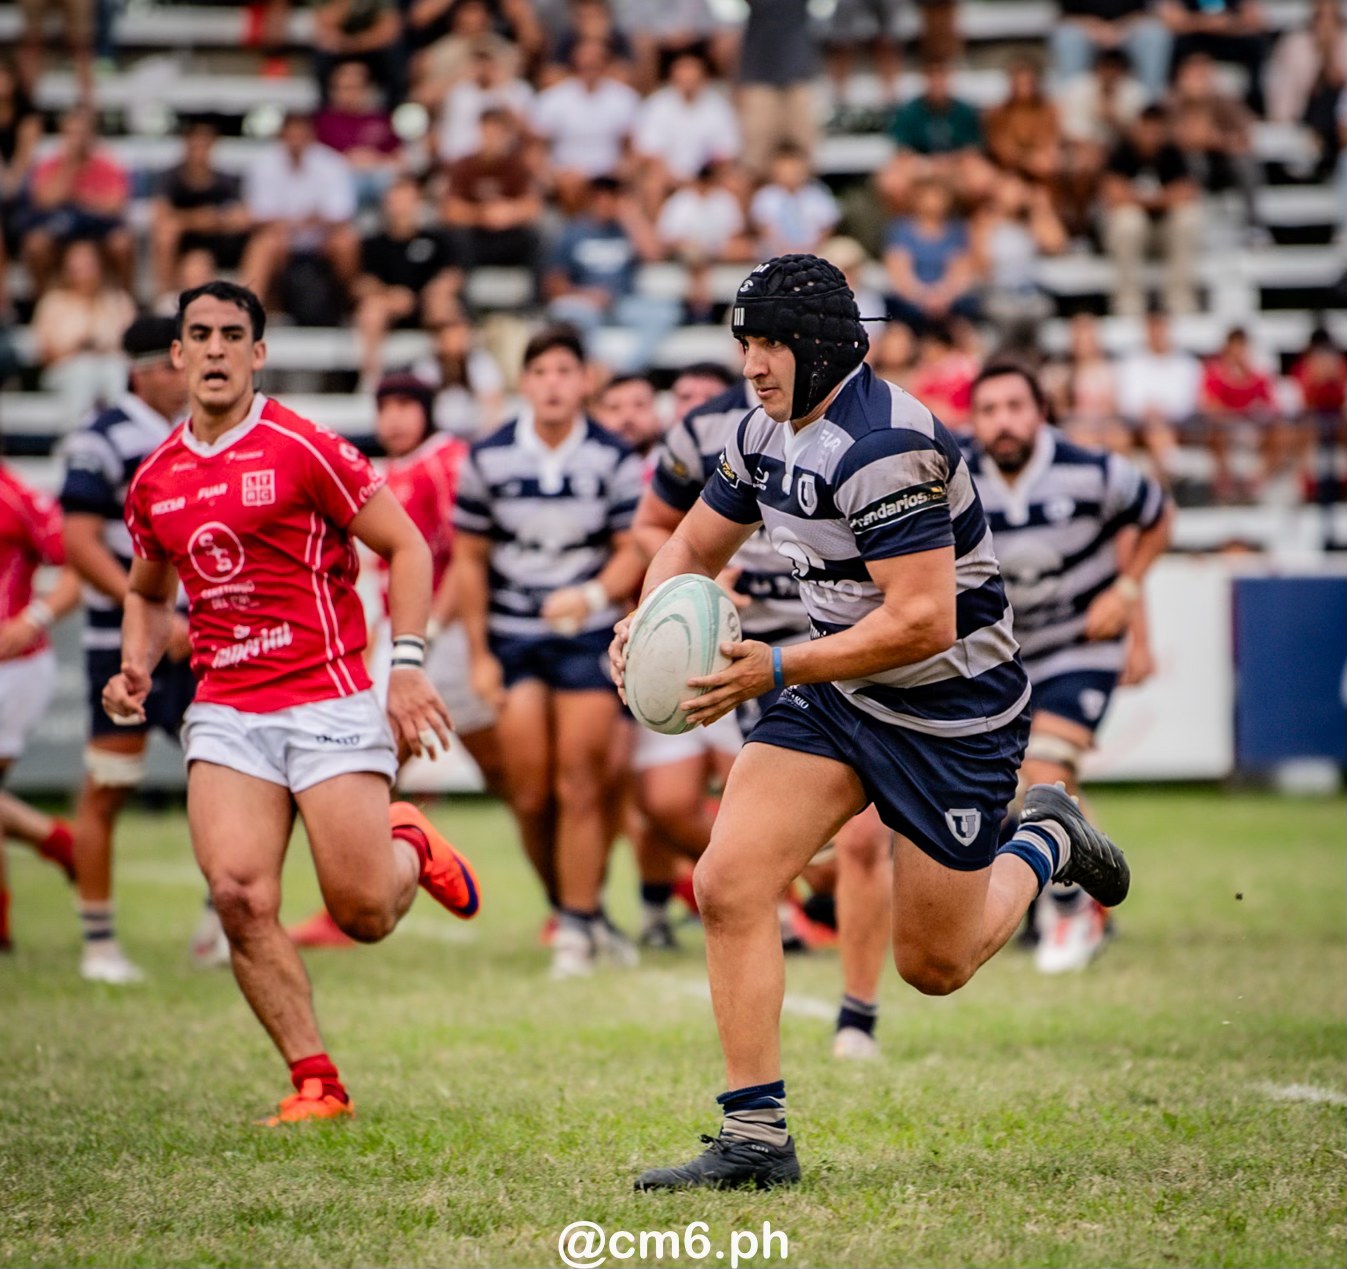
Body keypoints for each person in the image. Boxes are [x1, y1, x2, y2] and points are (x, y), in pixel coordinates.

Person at [611, 254, 1131, 1189]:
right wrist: (649, 620)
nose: (752, 365)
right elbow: (688, 544)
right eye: (743, 344)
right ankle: (755, 1140)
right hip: (841, 695)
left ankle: (1046, 834)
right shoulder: (761, 430)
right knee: (729, 881)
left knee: (936, 964)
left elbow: (921, 619)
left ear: (820, 346)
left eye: (769, 344)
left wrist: (771, 665)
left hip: (952, 713)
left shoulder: (883, 444)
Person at [103, 281, 481, 1124]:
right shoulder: (156, 477)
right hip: (228, 706)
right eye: (196, 334)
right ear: (175, 354)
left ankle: (408, 840)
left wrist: (408, 665)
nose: (212, 348)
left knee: (364, 914)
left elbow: (409, 546)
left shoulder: (305, 446)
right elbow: (147, 588)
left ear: (257, 353)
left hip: (328, 695)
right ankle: (316, 1080)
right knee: (239, 894)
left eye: (231, 334)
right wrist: (136, 662)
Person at [452, 325, 646, 979]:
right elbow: (469, 560)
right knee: (530, 792)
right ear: (524, 383)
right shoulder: (488, 458)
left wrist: (591, 596)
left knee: (580, 782)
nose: (555, 382)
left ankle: (576, 925)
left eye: (566, 369)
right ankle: (572, 909)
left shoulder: (613, 457)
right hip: (513, 636)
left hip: (585, 637)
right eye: (542, 371)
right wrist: (477, 652)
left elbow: (632, 549)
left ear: (584, 380)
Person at [965, 360, 1171, 972]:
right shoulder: (956, 479)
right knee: (1005, 787)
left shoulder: (1095, 470)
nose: (1003, 422)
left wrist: (1129, 594)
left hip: (1081, 646)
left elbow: (1157, 516)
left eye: (1015, 406)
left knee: (1045, 769)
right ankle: (1091, 881)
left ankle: (1070, 913)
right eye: (989, 410)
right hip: (1002, 658)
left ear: (1041, 412)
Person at [291, 372, 503, 949]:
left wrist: (430, 630)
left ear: (429, 411)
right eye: (387, 406)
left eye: (408, 404)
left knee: (521, 781)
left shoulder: (445, 460)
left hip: (444, 637)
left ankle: (384, 864)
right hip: (411, 640)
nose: (396, 417)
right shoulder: (382, 469)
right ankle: (356, 889)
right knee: (372, 761)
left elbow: (468, 554)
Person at [57, 315, 207, 983]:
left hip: (205, 631)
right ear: (145, 369)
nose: (190, 372)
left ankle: (222, 923)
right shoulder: (101, 437)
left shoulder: (206, 431)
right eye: (177, 360)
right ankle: (99, 942)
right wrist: (146, 615)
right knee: (109, 784)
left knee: (235, 778)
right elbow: (80, 542)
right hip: (121, 635)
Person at [0, 462, 81, 951]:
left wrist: (34, 618)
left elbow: (76, 559)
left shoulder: (14, 495)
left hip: (12, 667)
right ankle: (58, 842)